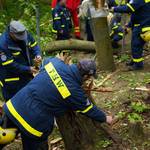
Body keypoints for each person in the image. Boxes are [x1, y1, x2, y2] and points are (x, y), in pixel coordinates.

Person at [1, 53, 113, 149]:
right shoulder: (75, 92)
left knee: (3, 137)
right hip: (33, 125)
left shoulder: (54, 63)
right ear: (87, 76)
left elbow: (45, 61)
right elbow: (89, 109)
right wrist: (105, 118)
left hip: (14, 107)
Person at [0, 20, 41, 101]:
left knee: (28, 100)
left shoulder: (24, 33)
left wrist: (38, 55)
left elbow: (34, 45)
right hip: (11, 80)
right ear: (11, 33)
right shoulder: (2, 44)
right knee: (14, 103)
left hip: (25, 75)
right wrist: (28, 69)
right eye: (18, 36)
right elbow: (10, 65)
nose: (22, 37)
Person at [111, 0, 150, 70]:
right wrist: (130, 24)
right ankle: (135, 60)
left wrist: (114, 9)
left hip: (143, 27)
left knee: (136, 45)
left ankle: (138, 65)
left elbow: (129, 8)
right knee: (136, 45)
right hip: (140, 26)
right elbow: (136, 13)